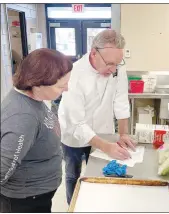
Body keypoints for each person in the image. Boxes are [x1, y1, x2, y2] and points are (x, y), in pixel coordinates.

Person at [58, 29, 136, 205]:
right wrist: (107, 147)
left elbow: (121, 100)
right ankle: (74, 206)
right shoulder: (74, 74)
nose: (113, 69)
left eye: (117, 64)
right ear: (94, 53)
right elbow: (77, 124)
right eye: (109, 64)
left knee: (100, 171)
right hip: (74, 134)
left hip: (102, 129)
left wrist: (122, 134)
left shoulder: (117, 67)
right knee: (73, 175)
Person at [1, 48, 72, 213]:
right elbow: (3, 168)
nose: (67, 89)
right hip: (25, 201)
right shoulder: (23, 117)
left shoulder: (34, 97)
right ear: (37, 83)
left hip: (36, 196)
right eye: (61, 85)